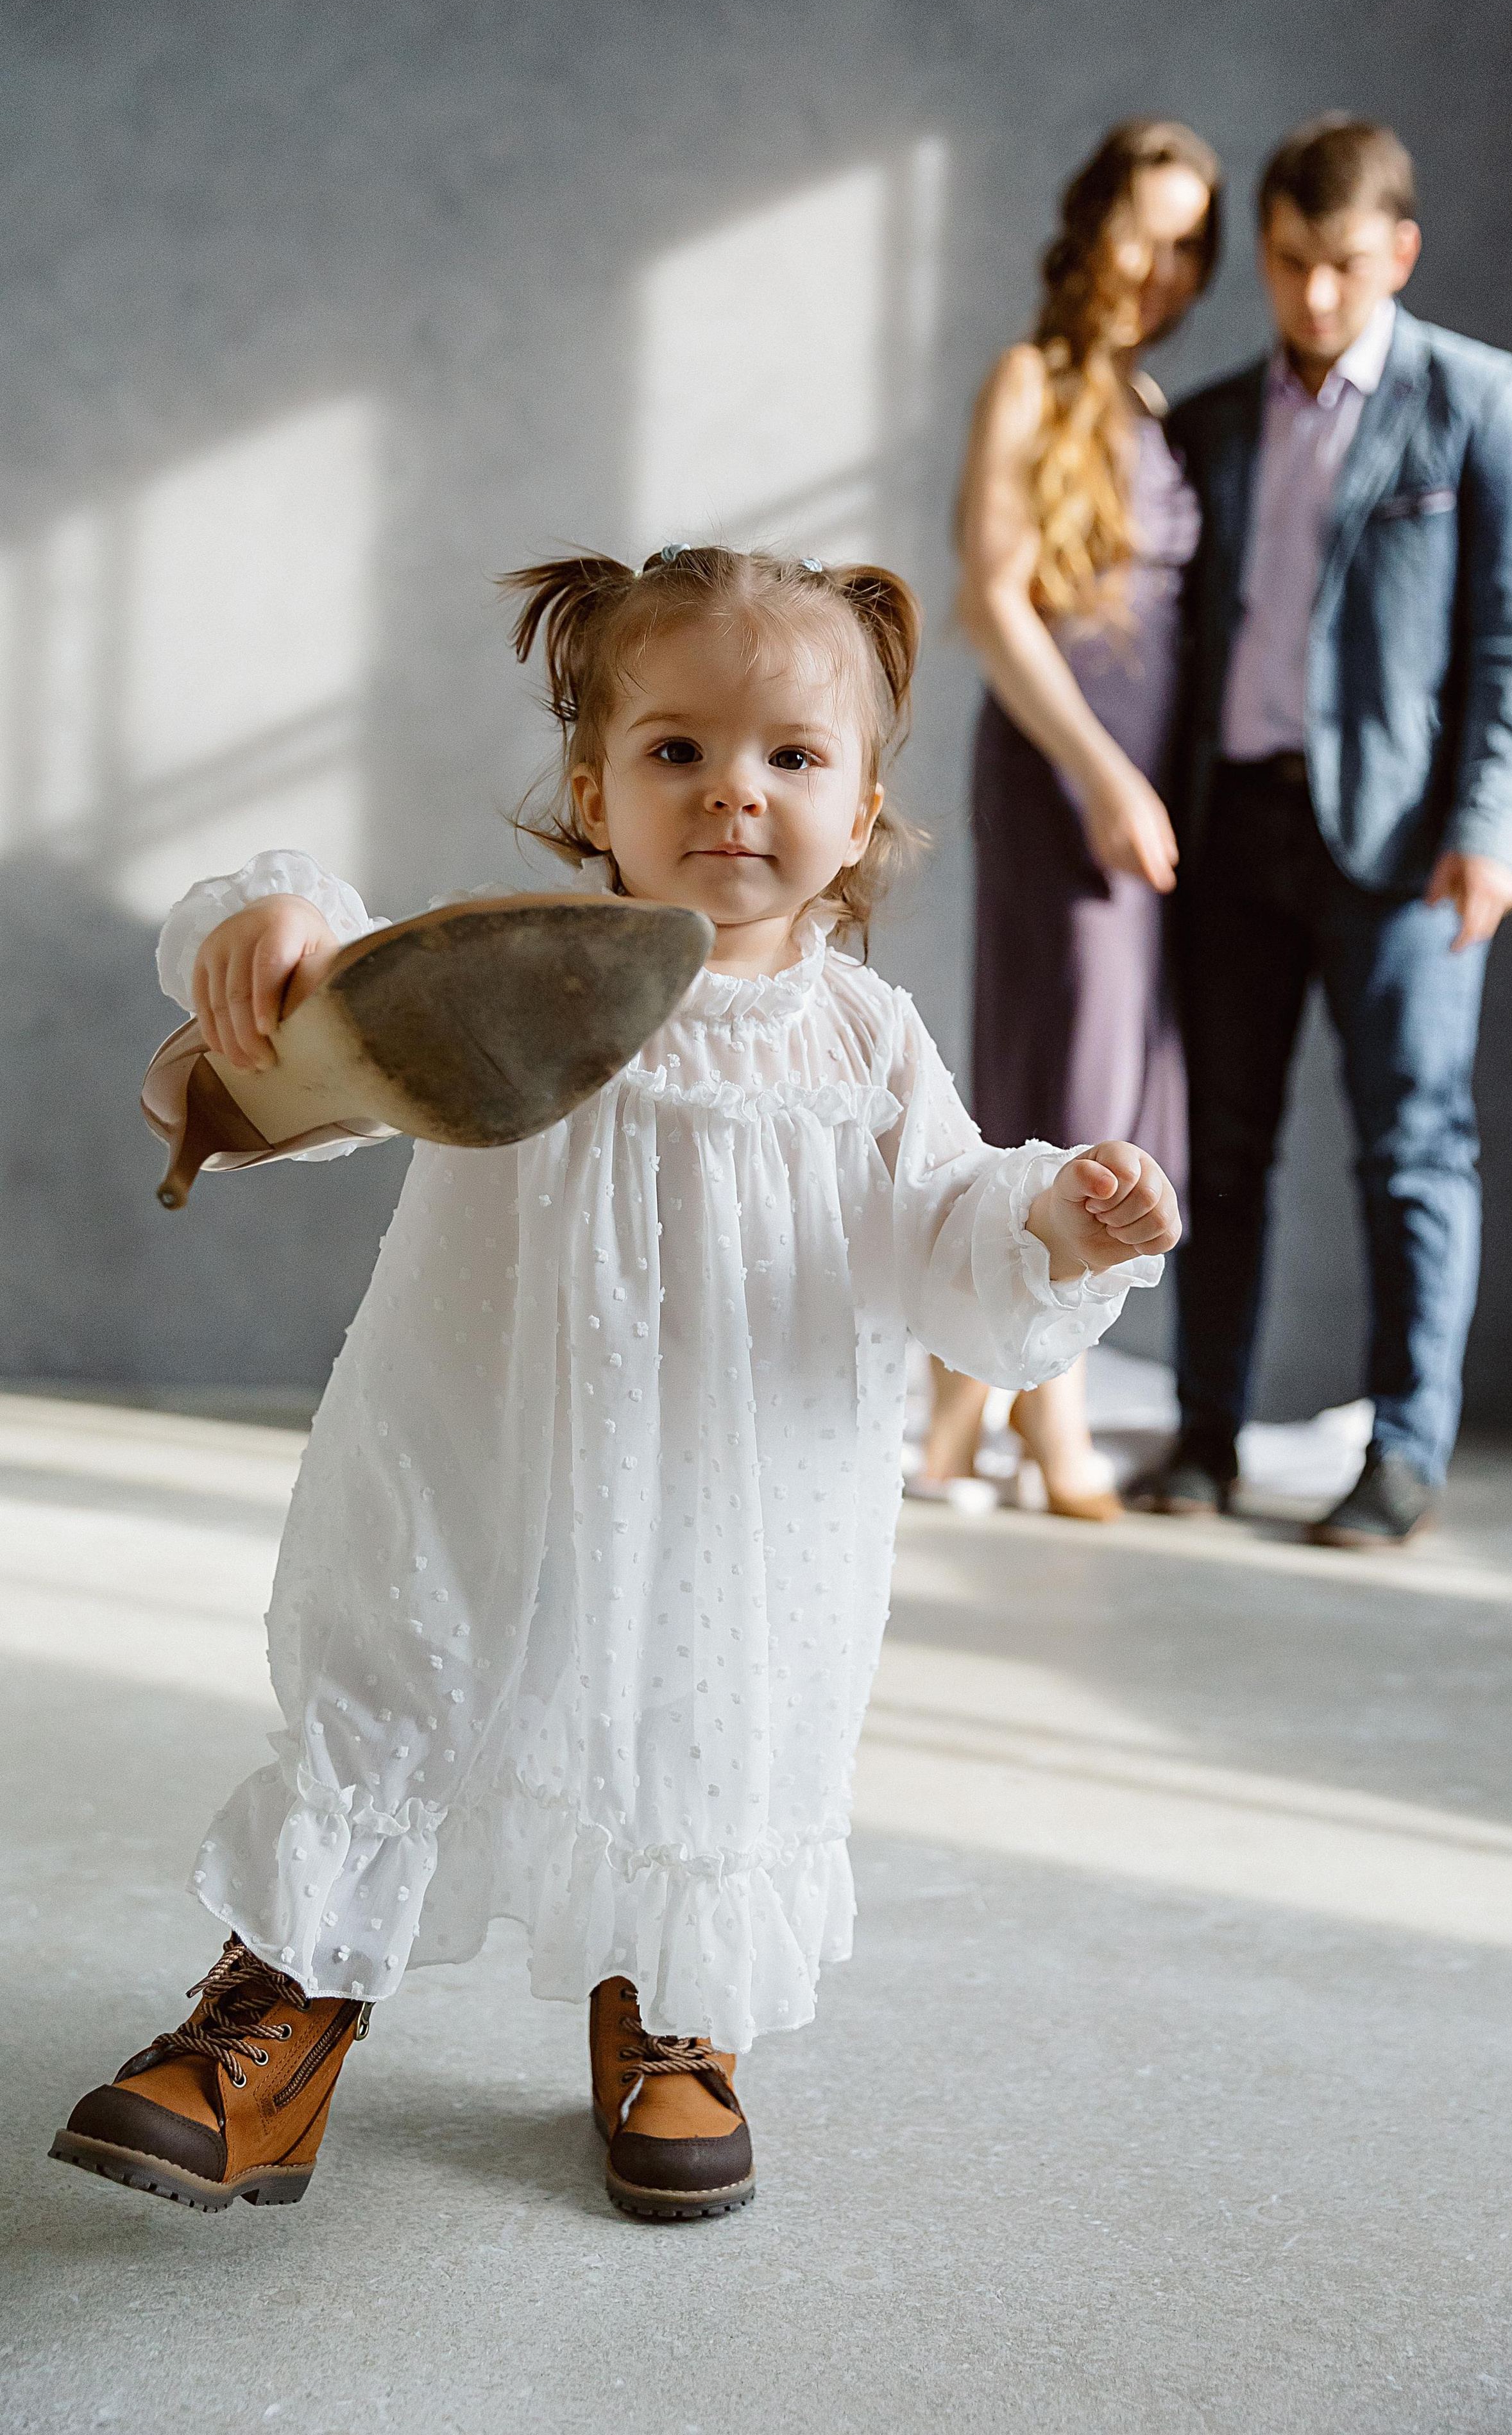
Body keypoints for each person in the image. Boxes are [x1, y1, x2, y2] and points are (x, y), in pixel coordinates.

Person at [52, 545, 1180, 2223]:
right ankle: (284, 2005)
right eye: (677, 750)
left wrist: (1056, 1225)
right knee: (399, 1686)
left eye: (793, 758)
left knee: (706, 1726)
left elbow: (949, 1240)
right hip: (483, 1452)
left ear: (861, 813)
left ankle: (668, 2009)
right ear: (595, 790)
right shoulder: (529, 973)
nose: (735, 791)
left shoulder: (866, 1044)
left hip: (741, 1495)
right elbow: (352, 1032)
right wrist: (274, 930)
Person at [1144, 117, 1512, 1546]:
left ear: (1395, 250)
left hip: (1401, 849)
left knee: (1410, 1146)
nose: (1312, 298)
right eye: (1284, 266)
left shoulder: (1481, 402)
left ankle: (1402, 1453)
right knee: (1219, 1144)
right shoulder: (1203, 421)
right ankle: (1201, 1436)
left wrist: (1493, 827)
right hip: (1230, 831)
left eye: (1338, 267)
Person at [919, 119, 1218, 1519]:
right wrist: (1102, 774)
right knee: (1068, 1074)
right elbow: (988, 600)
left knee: (1106, 1073)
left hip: (1140, 797)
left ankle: (966, 1412)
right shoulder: (1025, 382)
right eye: (1143, 232)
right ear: (1089, 226)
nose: (1163, 269)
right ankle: (1048, 1425)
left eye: (1189, 246)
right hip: (1064, 781)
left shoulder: (1150, 407)